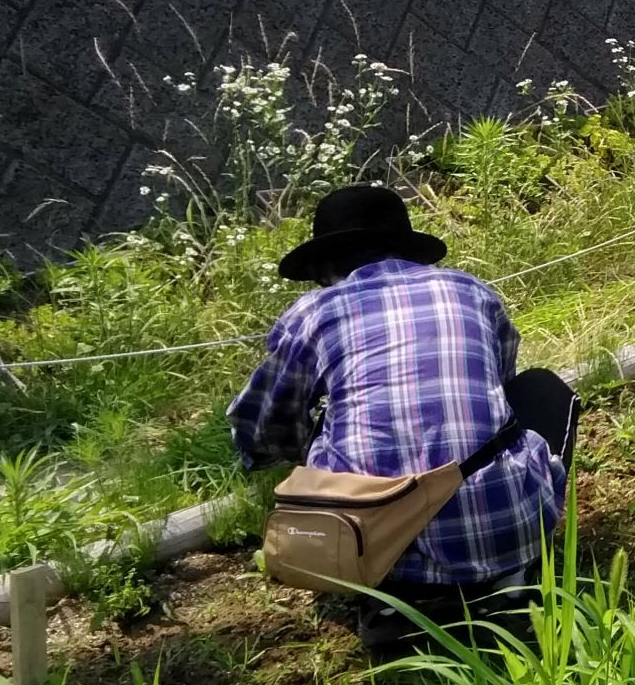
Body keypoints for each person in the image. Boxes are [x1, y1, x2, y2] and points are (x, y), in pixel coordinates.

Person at [228, 184, 566, 656]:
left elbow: (267, 423)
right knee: (542, 390)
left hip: (362, 541)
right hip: (504, 528)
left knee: (331, 430)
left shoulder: (312, 313)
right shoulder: (471, 289)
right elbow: (503, 379)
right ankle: (511, 579)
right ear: (405, 247)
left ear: (327, 265)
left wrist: (291, 454)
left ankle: (389, 601)